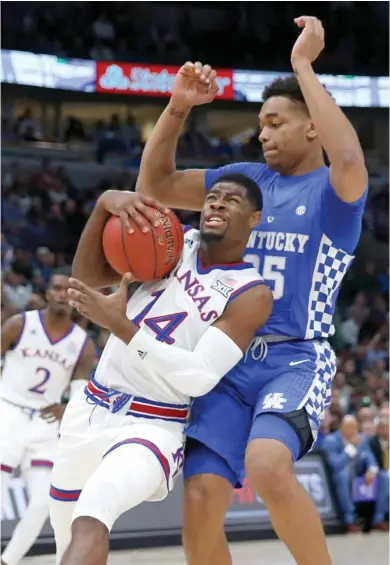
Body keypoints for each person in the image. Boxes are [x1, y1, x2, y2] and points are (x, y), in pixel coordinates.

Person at [122, 15, 367, 565]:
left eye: (276, 122)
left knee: (265, 465)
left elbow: (349, 156)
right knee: (202, 498)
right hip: (223, 361)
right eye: (260, 124)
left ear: (312, 128)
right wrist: (177, 107)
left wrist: (302, 66)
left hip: (294, 357)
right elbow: (155, 187)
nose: (262, 133)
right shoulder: (243, 183)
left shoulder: (334, 193)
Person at [49, 174, 273, 565]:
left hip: (152, 425)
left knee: (93, 515)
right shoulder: (172, 241)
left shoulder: (250, 292)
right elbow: (85, 279)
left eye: (231, 201)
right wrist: (104, 204)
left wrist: (121, 326)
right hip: (90, 409)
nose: (217, 204)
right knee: (64, 538)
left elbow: (201, 376)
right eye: (212, 198)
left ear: (254, 219)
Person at [0, 271, 95, 565]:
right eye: (57, 288)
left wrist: (65, 408)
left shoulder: (83, 343)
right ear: (47, 292)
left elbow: (80, 394)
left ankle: (8, 561)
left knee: (43, 503)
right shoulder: (21, 323)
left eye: (69, 290)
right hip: (9, 411)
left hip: (45, 423)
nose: (63, 294)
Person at [322, 415, 379, 532]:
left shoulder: (362, 439)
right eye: (349, 427)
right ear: (341, 427)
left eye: (354, 427)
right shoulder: (331, 440)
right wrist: (351, 447)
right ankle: (349, 520)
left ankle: (379, 519)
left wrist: (372, 470)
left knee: (383, 476)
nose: (352, 430)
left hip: (357, 474)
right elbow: (336, 465)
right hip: (336, 478)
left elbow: (369, 457)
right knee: (343, 476)